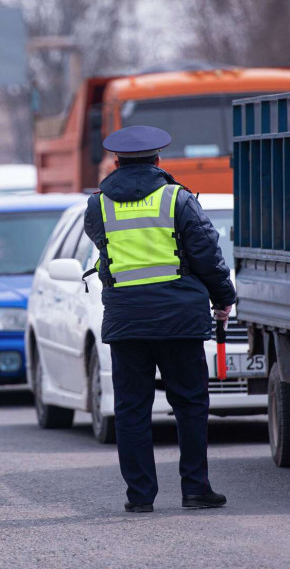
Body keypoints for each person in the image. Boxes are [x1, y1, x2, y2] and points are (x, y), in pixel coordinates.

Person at [83, 125, 236, 513]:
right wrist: (223, 297)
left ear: (116, 163)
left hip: (127, 322)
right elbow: (206, 254)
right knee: (190, 404)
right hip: (179, 320)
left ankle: (140, 497)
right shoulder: (177, 200)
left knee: (132, 409)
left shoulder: (99, 205)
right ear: (158, 161)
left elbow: (103, 247)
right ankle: (195, 489)